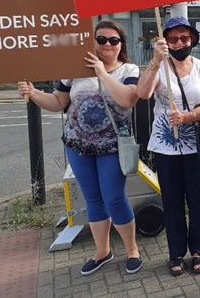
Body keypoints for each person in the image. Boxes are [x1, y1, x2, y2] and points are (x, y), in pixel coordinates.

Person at [18, 20, 142, 276]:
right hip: (78, 146)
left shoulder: (128, 69)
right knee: (93, 199)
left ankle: (132, 250)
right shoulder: (74, 70)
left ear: (121, 45)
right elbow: (57, 102)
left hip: (111, 148)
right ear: (92, 42)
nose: (107, 44)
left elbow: (128, 99)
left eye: (113, 40)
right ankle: (102, 251)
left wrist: (102, 73)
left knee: (114, 198)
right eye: (101, 39)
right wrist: (33, 93)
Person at [136, 16, 200, 276]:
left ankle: (198, 250)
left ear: (192, 39)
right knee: (171, 201)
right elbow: (143, 93)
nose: (179, 42)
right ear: (166, 42)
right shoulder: (158, 67)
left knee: (197, 199)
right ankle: (175, 253)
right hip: (165, 146)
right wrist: (155, 61)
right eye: (173, 38)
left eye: (184, 37)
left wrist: (187, 117)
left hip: (195, 145)